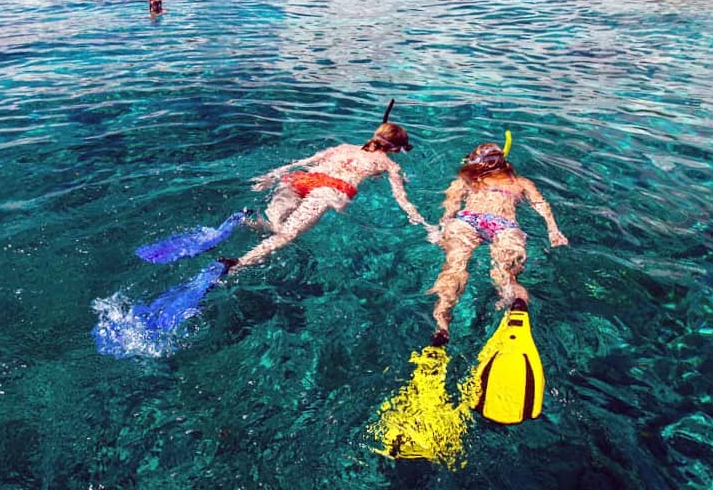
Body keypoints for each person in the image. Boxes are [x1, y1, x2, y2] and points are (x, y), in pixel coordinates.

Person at [219, 101, 429, 273]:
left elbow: (303, 161)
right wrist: (420, 220)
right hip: (331, 190)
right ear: (394, 148)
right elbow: (401, 198)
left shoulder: (344, 147)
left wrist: (271, 176)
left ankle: (249, 220)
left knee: (276, 223)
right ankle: (237, 264)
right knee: (287, 235)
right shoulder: (389, 164)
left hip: (302, 178)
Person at [426, 135, 568, 347]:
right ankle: (515, 307)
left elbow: (451, 205)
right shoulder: (520, 182)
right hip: (503, 224)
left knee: (454, 269)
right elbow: (541, 205)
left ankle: (442, 326)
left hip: (467, 221)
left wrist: (440, 228)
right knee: (506, 278)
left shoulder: (466, 180)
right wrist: (553, 230)